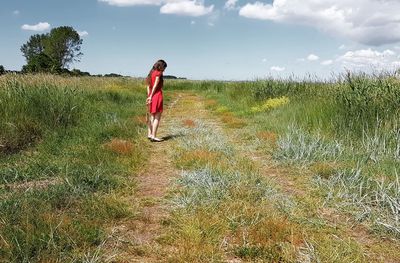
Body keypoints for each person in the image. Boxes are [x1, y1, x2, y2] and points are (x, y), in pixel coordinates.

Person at [146, 59, 167, 142]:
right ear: (161, 66)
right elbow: (155, 85)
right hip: (157, 95)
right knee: (157, 117)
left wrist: (149, 96)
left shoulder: (150, 74)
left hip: (150, 96)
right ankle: (154, 136)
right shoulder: (158, 73)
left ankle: (150, 134)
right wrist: (151, 96)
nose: (164, 69)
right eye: (164, 67)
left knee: (152, 116)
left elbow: (148, 86)